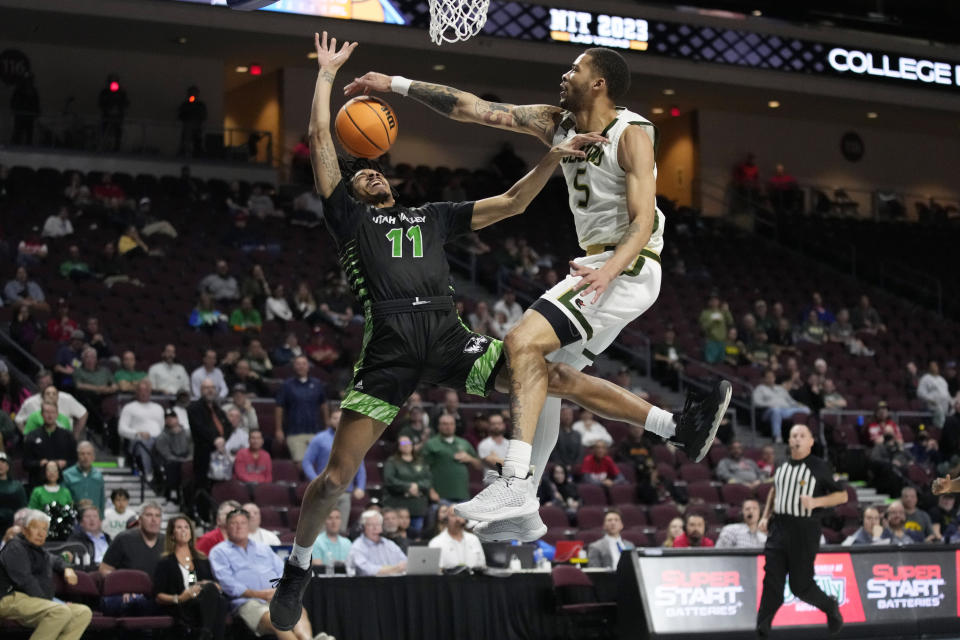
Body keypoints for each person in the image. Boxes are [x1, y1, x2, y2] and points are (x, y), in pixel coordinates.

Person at [272, 33, 726, 629]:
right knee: (335, 479)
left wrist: (551, 163)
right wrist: (330, 77)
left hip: (451, 335)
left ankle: (553, 474)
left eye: (380, 173)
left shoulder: (433, 216)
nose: (374, 177)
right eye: (364, 176)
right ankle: (300, 565)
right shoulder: (347, 218)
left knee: (538, 361)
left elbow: (513, 202)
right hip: (389, 348)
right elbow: (325, 140)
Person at [346, 41, 730, 535]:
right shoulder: (557, 122)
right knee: (543, 377)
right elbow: (472, 109)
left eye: (575, 69)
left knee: (520, 342)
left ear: (599, 83)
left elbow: (641, 224)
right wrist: (394, 84)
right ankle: (670, 431)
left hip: (626, 264)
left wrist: (608, 272)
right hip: (603, 266)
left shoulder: (631, 133)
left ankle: (514, 479)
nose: (564, 75)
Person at [756, 424, 846, 638]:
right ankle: (762, 627)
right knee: (772, 581)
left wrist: (815, 501)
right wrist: (765, 516)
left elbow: (842, 496)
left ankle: (830, 606)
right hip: (779, 527)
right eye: (793, 435)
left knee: (800, 586)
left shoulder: (820, 466)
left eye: (802, 435)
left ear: (811, 441)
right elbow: (775, 490)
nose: (797, 439)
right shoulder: (780, 463)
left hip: (805, 530)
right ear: (789, 440)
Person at [209, 508, 326, 640]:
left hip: (276, 597)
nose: (239, 527)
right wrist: (260, 594)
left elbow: (283, 572)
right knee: (277, 621)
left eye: (242, 523)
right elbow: (227, 584)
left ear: (248, 526)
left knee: (298, 612)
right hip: (247, 602)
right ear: (226, 526)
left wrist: (279, 591)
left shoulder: (263, 548)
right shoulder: (219, 552)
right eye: (234, 523)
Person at [0, 509, 92, 640]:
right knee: (60, 611)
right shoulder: (15, 547)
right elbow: (26, 582)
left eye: (44, 529)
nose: (40, 533)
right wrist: (53, 603)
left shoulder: (39, 551)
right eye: (35, 528)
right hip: (9, 598)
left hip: (32, 600)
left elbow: (55, 560)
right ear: (25, 530)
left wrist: (67, 568)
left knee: (82, 612)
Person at [153, 514, 227, 640]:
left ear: (191, 532)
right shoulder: (165, 563)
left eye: (186, 527)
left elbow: (216, 586)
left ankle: (205, 633)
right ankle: (207, 633)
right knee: (220, 603)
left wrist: (208, 584)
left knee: (215, 594)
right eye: (179, 528)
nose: (184, 531)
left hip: (202, 601)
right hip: (181, 604)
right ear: (172, 535)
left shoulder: (202, 559)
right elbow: (158, 596)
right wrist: (180, 597)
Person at [276, 355, 329, 462]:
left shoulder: (317, 384)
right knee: (301, 463)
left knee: (321, 463)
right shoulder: (287, 385)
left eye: (304, 364)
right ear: (294, 367)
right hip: (294, 432)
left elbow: (323, 405)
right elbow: (279, 407)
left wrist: (327, 425)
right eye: (298, 364)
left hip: (315, 432)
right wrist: (278, 429)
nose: (301, 366)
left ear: (308, 367)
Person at [382, 435, 431, 539]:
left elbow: (428, 480)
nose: (406, 445)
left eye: (409, 443)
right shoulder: (392, 462)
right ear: (398, 446)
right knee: (396, 535)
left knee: (416, 536)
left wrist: (417, 486)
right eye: (403, 443)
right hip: (397, 504)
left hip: (417, 506)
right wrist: (408, 487)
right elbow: (389, 480)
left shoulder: (421, 461)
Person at [188, 378, 232, 492]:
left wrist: (223, 439)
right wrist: (214, 439)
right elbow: (200, 427)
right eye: (207, 388)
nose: (210, 390)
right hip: (203, 453)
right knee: (203, 485)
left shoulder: (218, 409)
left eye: (212, 388)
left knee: (219, 487)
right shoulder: (194, 408)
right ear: (201, 390)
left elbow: (228, 426)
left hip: (220, 452)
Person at [117, 379, 164, 479]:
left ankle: (165, 475)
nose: (144, 393)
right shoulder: (129, 407)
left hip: (158, 439)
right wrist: (137, 433)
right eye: (141, 390)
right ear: (137, 391)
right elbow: (121, 429)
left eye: (146, 390)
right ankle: (148, 474)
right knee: (145, 442)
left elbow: (162, 427)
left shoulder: (158, 408)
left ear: (150, 392)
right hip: (137, 441)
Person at [23, 403, 77, 487]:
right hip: (38, 484)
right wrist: (38, 463)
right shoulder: (32, 436)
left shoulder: (68, 436)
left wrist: (65, 463)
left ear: (57, 414)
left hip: (63, 484)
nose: (50, 415)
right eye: (47, 412)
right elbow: (25, 463)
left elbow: (75, 461)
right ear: (41, 414)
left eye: (52, 412)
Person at [752, 369, 811, 443]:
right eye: (768, 377)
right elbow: (756, 402)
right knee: (776, 410)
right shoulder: (760, 389)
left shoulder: (780, 388)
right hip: (769, 411)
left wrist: (798, 404)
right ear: (764, 379)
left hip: (786, 410)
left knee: (806, 409)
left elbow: (790, 401)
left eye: (772, 377)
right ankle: (777, 436)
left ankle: (806, 435)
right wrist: (770, 405)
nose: (771, 379)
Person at [346, 510, 407, 577]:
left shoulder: (389, 544)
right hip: (369, 584)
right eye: (370, 525)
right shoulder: (357, 547)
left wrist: (394, 569)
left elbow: (406, 563)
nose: (375, 528)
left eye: (378, 525)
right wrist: (395, 569)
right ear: (363, 528)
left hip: (394, 584)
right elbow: (366, 571)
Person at [155, 409, 193, 500]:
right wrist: (183, 460)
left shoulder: (188, 433)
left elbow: (193, 449)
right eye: (167, 418)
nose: (170, 420)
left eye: (172, 417)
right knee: (172, 466)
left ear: (177, 418)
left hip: (188, 459)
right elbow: (167, 455)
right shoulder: (162, 437)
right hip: (172, 462)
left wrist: (189, 459)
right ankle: (173, 495)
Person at [62, 441, 105, 515]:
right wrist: (77, 504)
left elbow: (102, 500)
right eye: (82, 454)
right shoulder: (67, 475)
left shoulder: (99, 476)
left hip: (94, 520)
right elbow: (63, 500)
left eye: (88, 454)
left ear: (93, 456)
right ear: (77, 455)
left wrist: (101, 518)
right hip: (74, 518)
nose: (85, 457)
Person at [0, 452, 27, 531]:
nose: (0, 464)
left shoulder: (17, 486)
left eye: (3, 462)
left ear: (8, 466)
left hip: (13, 525)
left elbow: (23, 508)